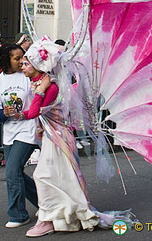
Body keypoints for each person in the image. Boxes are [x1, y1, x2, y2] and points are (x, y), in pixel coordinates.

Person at [21, 38, 99, 237]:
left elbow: (34, 113)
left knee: (44, 176)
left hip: (59, 137)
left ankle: (48, 219)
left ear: (38, 65)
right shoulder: (38, 82)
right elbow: (30, 112)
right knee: (57, 177)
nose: (22, 66)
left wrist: (39, 92)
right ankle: (58, 216)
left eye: (26, 63)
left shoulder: (51, 86)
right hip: (50, 135)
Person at [0, 44, 38, 228]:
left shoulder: (30, 75)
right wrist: (5, 112)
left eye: (22, 57)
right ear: (6, 60)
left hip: (28, 129)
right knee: (15, 173)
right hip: (9, 132)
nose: (21, 61)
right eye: (16, 58)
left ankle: (18, 215)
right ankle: (45, 203)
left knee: (11, 171)